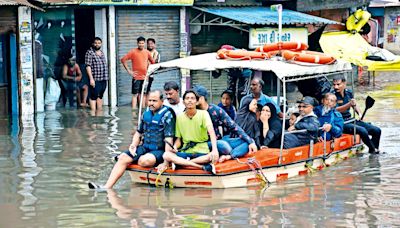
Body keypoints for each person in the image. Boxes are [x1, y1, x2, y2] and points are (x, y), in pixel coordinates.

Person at [88, 90, 175, 189]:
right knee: (123, 158)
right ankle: (106, 187)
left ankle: (138, 162)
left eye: (154, 101)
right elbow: (138, 132)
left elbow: (169, 139)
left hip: (159, 150)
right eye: (149, 100)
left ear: (162, 101)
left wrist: (166, 162)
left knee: (144, 161)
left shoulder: (168, 115)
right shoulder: (146, 113)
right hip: (145, 147)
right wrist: (133, 145)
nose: (151, 103)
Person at [193, 85, 257, 163]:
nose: (191, 100)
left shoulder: (215, 110)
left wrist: (250, 142)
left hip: (219, 140)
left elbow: (233, 126)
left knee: (250, 141)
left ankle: (229, 156)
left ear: (202, 98)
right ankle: (233, 152)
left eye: (194, 97)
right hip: (203, 144)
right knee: (224, 146)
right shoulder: (191, 111)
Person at [162, 90, 218, 174]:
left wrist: (214, 150)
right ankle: (200, 166)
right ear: (183, 102)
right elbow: (179, 139)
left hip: (202, 151)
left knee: (211, 156)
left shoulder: (204, 114)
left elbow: (212, 132)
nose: (190, 100)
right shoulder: (180, 117)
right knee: (166, 155)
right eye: (187, 98)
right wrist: (175, 147)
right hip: (186, 152)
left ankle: (182, 164)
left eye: (192, 98)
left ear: (196, 101)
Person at [332, 75, 381, 154]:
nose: (336, 87)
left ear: (344, 84)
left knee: (377, 130)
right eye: (334, 85)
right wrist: (349, 104)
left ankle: (373, 150)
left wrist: (360, 114)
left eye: (338, 84)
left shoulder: (349, 92)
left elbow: (354, 104)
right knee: (362, 130)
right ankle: (373, 151)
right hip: (340, 122)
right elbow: (336, 110)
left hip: (350, 119)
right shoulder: (332, 95)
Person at [121, 36, 155, 109]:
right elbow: (123, 60)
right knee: (135, 95)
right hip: (136, 77)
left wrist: (149, 72)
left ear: (144, 44)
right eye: (140, 43)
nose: (141, 45)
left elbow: (153, 62)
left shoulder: (147, 52)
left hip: (145, 77)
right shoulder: (133, 52)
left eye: (142, 43)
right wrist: (129, 71)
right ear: (137, 43)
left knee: (142, 94)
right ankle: (134, 113)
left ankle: (142, 111)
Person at [85, 37, 108, 113]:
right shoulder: (90, 52)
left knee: (100, 95)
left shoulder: (102, 52)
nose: (97, 44)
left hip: (103, 78)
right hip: (95, 79)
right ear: (93, 44)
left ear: (101, 44)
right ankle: (93, 115)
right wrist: (91, 79)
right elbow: (88, 66)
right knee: (93, 96)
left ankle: (99, 114)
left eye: (99, 43)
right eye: (96, 43)